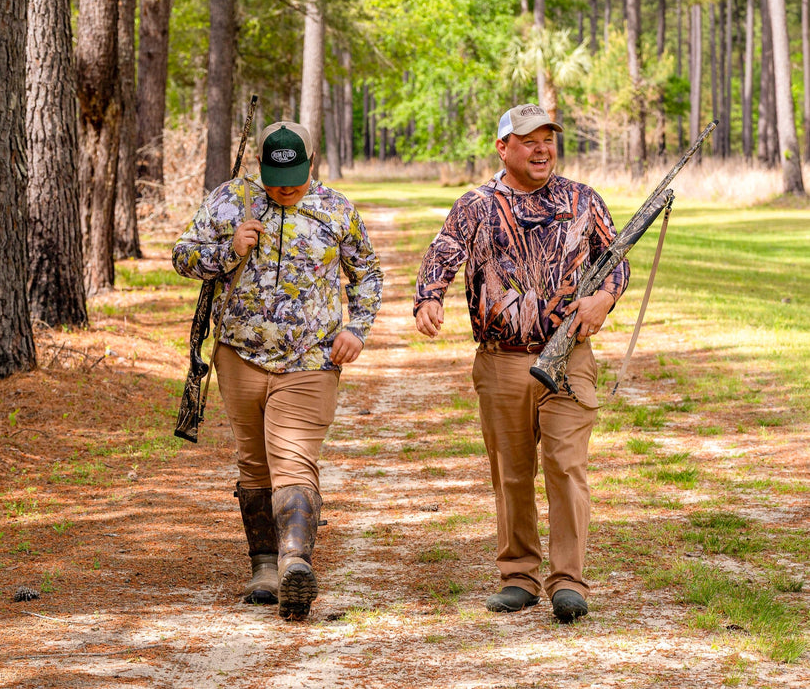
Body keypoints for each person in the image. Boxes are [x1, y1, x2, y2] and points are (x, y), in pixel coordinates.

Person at [413, 104, 630, 624]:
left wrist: (604, 298)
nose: (541, 149)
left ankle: (568, 582)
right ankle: (518, 577)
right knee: (511, 473)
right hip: (502, 362)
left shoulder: (582, 199)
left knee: (566, 466)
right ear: (502, 147)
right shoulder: (476, 205)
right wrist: (429, 298)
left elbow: (616, 256)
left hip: (569, 358)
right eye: (528, 140)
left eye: (548, 139)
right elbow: (441, 252)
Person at [173, 121, 383, 621]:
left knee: (293, 457)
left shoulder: (336, 209)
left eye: (295, 176)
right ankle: (264, 565)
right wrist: (230, 249)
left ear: (312, 162)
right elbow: (183, 256)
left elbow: (368, 272)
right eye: (274, 177)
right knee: (253, 462)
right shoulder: (230, 200)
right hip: (239, 354)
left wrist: (357, 328)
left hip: (312, 358)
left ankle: (295, 563)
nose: (284, 187)